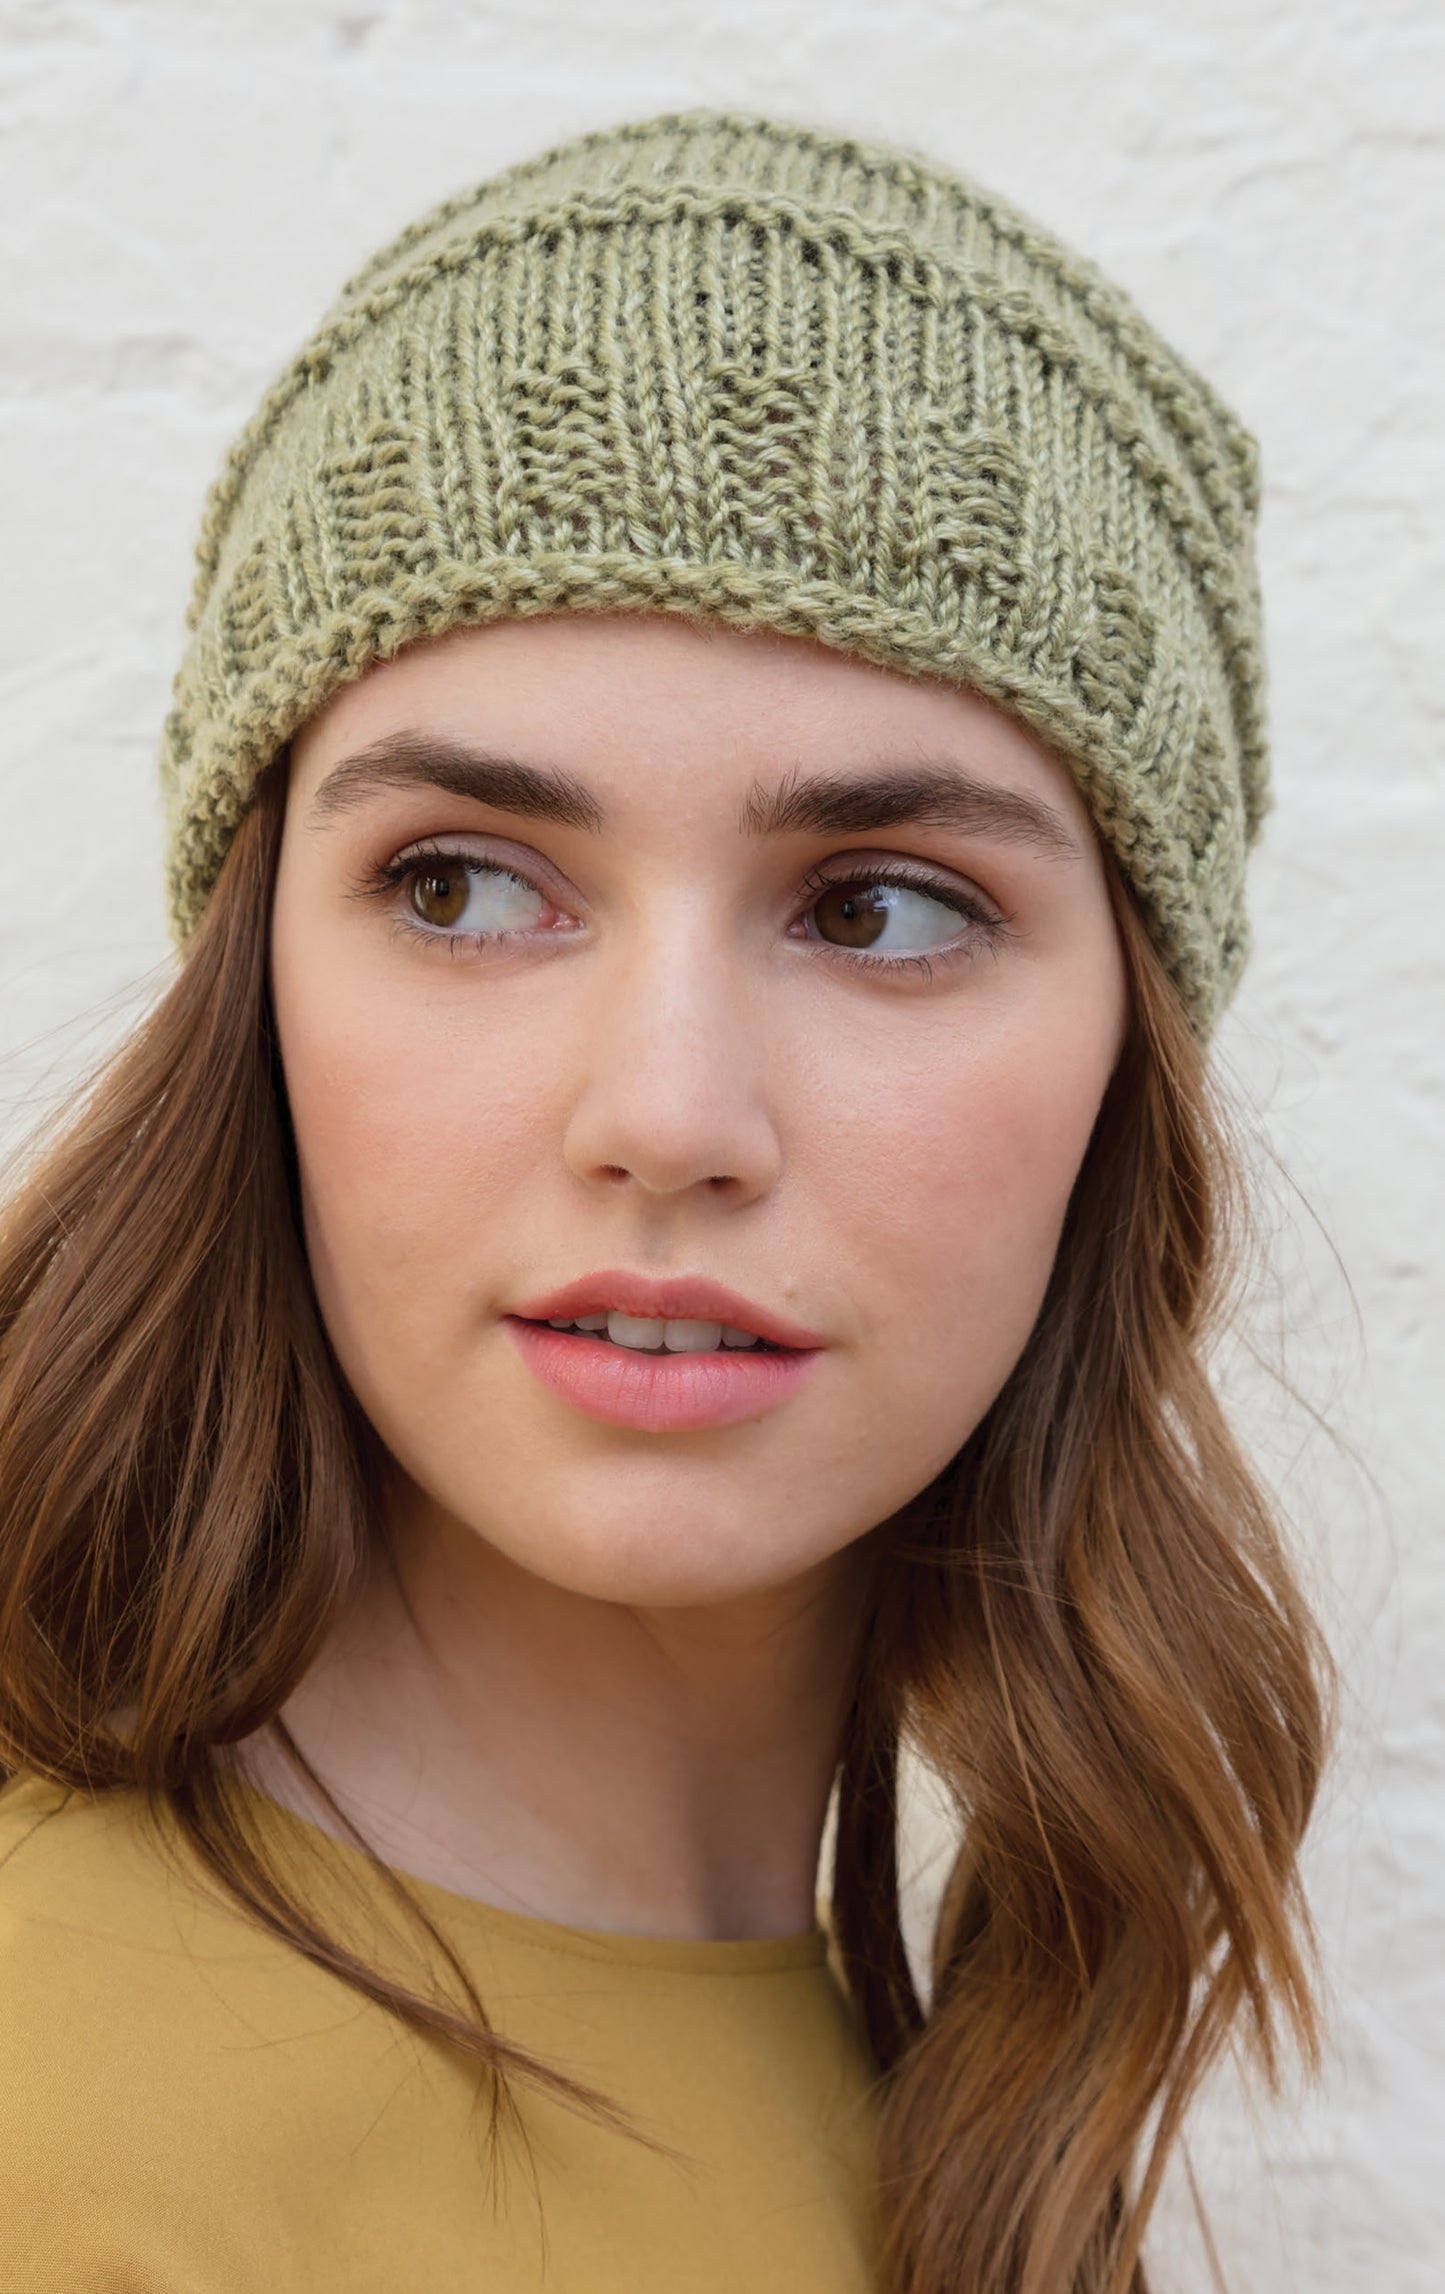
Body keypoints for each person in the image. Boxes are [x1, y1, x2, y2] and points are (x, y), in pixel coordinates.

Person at [0, 107, 1330, 2294]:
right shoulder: (56, 2106)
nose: (670, 1112)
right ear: (259, 993)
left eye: (883, 908)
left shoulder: (941, 2108)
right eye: (460, 885)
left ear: (1128, 1059)